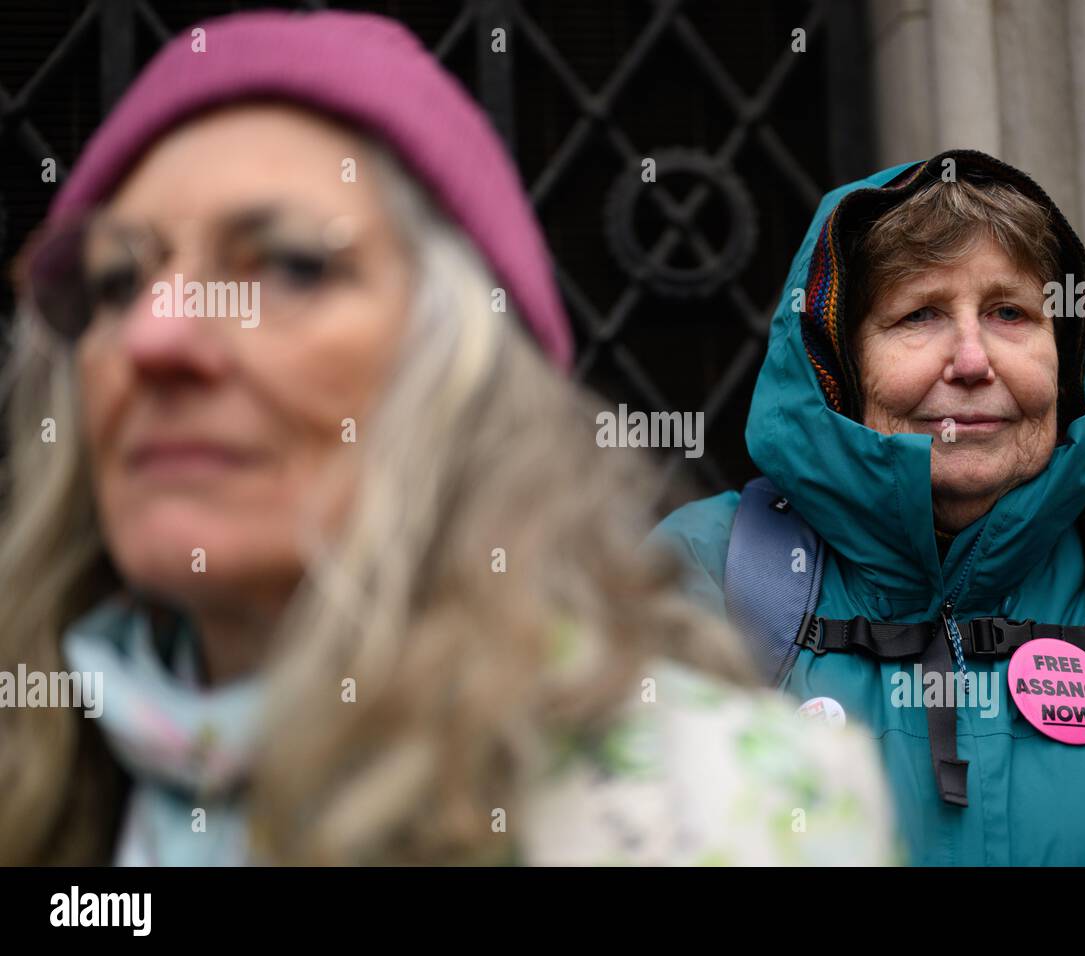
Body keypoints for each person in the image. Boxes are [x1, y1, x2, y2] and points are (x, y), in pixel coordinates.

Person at [0, 10, 898, 866]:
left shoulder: (740, 816)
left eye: (289, 264)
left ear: (471, 376)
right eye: (117, 280)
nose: (155, 337)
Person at [650, 149, 1085, 865]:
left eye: (1010, 312)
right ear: (839, 369)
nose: (971, 359)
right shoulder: (701, 572)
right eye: (918, 314)